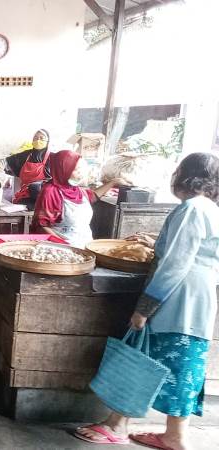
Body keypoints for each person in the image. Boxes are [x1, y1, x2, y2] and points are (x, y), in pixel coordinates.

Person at [73, 152, 219, 450]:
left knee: (144, 356)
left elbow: (176, 263)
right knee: (183, 366)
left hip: (177, 298)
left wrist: (145, 307)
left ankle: (117, 426)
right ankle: (174, 436)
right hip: (198, 299)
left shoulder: (191, 208)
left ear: (187, 175)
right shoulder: (210, 209)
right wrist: (157, 244)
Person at [31, 150, 125, 248]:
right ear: (64, 169)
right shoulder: (51, 192)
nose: (81, 173)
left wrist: (113, 183)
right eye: (77, 170)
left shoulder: (77, 190)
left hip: (85, 246)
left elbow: (92, 196)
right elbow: (41, 226)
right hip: (61, 249)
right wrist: (63, 245)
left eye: (82, 169)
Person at [5, 129, 52, 208]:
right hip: (25, 195)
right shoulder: (26, 155)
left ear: (48, 142)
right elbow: (8, 161)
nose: (38, 140)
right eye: (35, 138)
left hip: (43, 196)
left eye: (41, 138)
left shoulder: (52, 158)